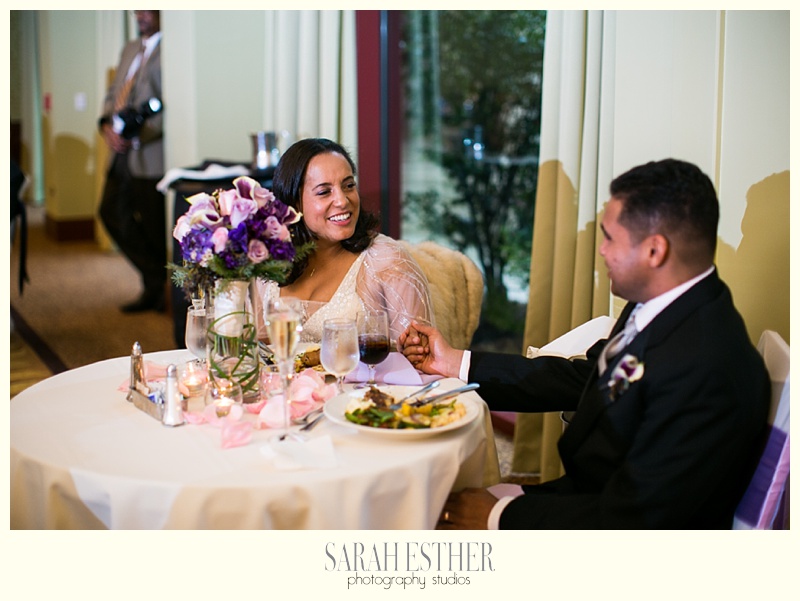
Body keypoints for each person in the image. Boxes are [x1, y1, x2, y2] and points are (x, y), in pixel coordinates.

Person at [401, 158, 770, 529]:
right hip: (584, 497)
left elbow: (638, 519)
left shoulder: (705, 366)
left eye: (610, 237)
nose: (602, 251)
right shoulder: (666, 306)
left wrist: (498, 517)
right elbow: (583, 379)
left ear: (655, 251)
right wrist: (454, 363)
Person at [255, 138, 434, 343]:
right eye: (324, 192)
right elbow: (257, 349)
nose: (342, 201)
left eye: (348, 185)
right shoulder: (267, 259)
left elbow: (418, 360)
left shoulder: (390, 262)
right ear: (294, 202)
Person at [98, 10, 166, 313]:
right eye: (136, 9)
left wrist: (139, 133)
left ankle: (156, 289)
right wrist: (105, 124)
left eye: (146, 8)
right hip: (120, 152)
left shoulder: (172, 49)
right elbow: (114, 93)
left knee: (153, 225)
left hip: (150, 153)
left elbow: (171, 104)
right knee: (110, 211)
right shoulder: (129, 48)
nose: (140, 14)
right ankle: (154, 277)